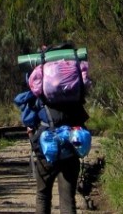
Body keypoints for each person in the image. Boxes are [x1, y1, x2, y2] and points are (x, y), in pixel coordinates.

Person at [15, 43, 90, 214]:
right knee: (67, 199)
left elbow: (29, 114)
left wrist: (31, 133)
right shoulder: (74, 87)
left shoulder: (40, 83)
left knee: (43, 195)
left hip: (46, 145)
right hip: (72, 144)